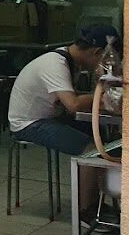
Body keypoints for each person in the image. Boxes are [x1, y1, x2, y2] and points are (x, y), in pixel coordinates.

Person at [8, 23, 118, 162]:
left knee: (101, 134)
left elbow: (72, 97)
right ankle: (91, 182)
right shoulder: (55, 64)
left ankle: (102, 178)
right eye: (105, 58)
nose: (105, 63)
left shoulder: (70, 61)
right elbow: (74, 104)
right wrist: (106, 99)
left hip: (51, 116)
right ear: (96, 52)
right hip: (29, 124)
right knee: (93, 150)